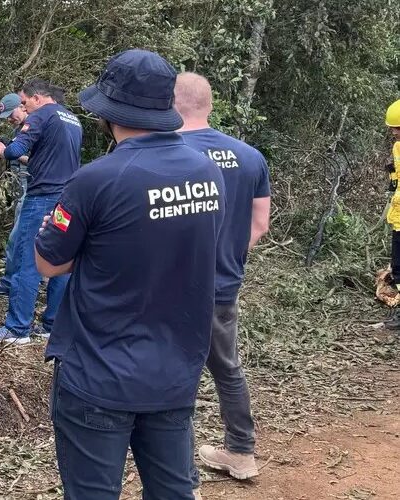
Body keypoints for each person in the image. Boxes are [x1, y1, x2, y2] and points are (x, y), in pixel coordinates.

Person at [35, 49, 225, 500]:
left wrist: (93, 247)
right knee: (174, 491)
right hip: (175, 371)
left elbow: (48, 263)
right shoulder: (207, 172)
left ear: (108, 113)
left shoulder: (96, 180)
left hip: (98, 375)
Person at [175, 72, 271, 484]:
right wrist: (227, 256)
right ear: (210, 105)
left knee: (175, 374)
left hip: (172, 287)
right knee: (227, 368)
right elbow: (260, 224)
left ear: (170, 104)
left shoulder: (169, 153)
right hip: (224, 286)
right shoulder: (250, 156)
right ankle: (241, 452)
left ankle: (179, 478)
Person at [0, 79, 82, 344]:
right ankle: (52, 324)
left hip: (41, 197)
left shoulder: (42, 115)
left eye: (25, 102)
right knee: (61, 262)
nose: (24, 108)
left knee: (28, 259)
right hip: (67, 198)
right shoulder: (72, 119)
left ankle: (17, 328)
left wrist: (4, 150)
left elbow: (16, 149)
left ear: (38, 98)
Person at [0, 93, 30, 297]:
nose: (9, 119)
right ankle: (16, 281)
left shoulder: (34, 128)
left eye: (10, 114)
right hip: (19, 189)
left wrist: (8, 151)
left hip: (31, 191)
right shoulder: (19, 131)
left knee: (17, 238)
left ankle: (10, 283)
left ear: (22, 107)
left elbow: (35, 161)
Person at [384, 100, 400, 328]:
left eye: (398, 127)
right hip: (398, 217)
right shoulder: (397, 147)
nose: (395, 132)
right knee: (397, 268)